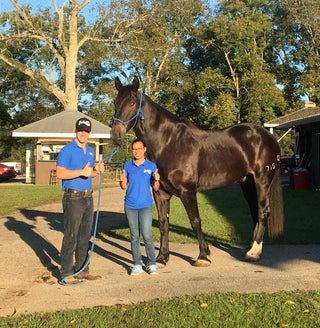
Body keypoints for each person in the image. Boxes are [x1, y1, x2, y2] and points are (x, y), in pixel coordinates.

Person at [56, 117, 105, 284]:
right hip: (73, 197)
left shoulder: (90, 151)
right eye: (80, 130)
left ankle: (82, 270)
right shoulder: (67, 150)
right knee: (71, 235)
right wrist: (81, 172)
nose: (83, 134)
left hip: (88, 197)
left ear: (90, 133)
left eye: (86, 131)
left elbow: (88, 173)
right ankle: (66, 273)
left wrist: (96, 171)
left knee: (85, 236)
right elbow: (60, 173)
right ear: (75, 130)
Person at [119, 139, 160, 276]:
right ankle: (136, 264)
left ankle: (151, 263)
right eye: (134, 149)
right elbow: (124, 186)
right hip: (130, 205)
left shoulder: (151, 166)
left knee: (147, 235)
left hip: (145, 205)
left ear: (144, 149)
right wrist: (122, 181)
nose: (136, 151)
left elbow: (155, 187)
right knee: (134, 236)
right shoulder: (127, 165)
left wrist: (157, 180)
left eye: (139, 148)